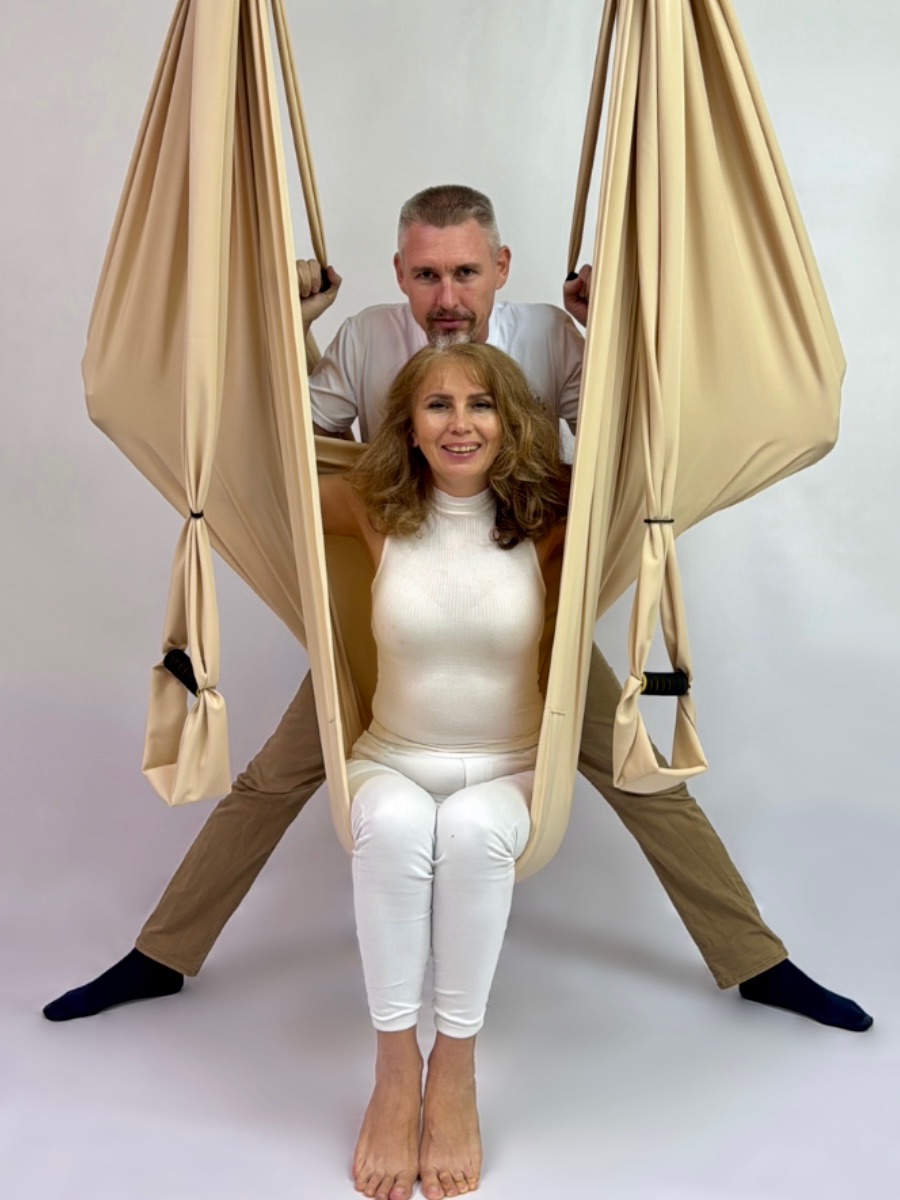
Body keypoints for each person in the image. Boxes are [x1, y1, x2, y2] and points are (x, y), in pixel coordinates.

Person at [44, 184, 871, 1035]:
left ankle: (756, 961)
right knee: (271, 782)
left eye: (466, 273)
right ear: (399, 273)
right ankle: (162, 954)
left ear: (501, 267)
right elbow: (279, 449)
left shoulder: (548, 337)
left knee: (644, 780)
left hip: (522, 621)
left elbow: (634, 450)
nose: (447, 298)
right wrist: (287, 327)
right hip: (400, 621)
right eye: (427, 275)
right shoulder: (367, 339)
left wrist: (611, 332)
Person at [321, 340, 568, 1200]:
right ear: (409, 425)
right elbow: (251, 475)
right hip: (392, 759)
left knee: (468, 830)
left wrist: (607, 324)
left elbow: (654, 469)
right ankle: (396, 1073)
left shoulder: (550, 516)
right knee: (394, 824)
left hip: (513, 771)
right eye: (438, 405)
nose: (461, 424)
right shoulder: (373, 509)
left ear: (511, 419)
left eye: (481, 404)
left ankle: (455, 1071)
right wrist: (296, 328)